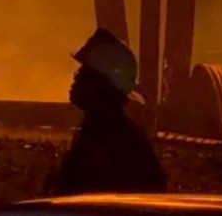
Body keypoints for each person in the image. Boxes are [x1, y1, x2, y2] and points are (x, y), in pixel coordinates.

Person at [49, 28, 167, 196]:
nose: (76, 78)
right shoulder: (104, 131)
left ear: (102, 86)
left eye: (84, 74)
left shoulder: (109, 138)